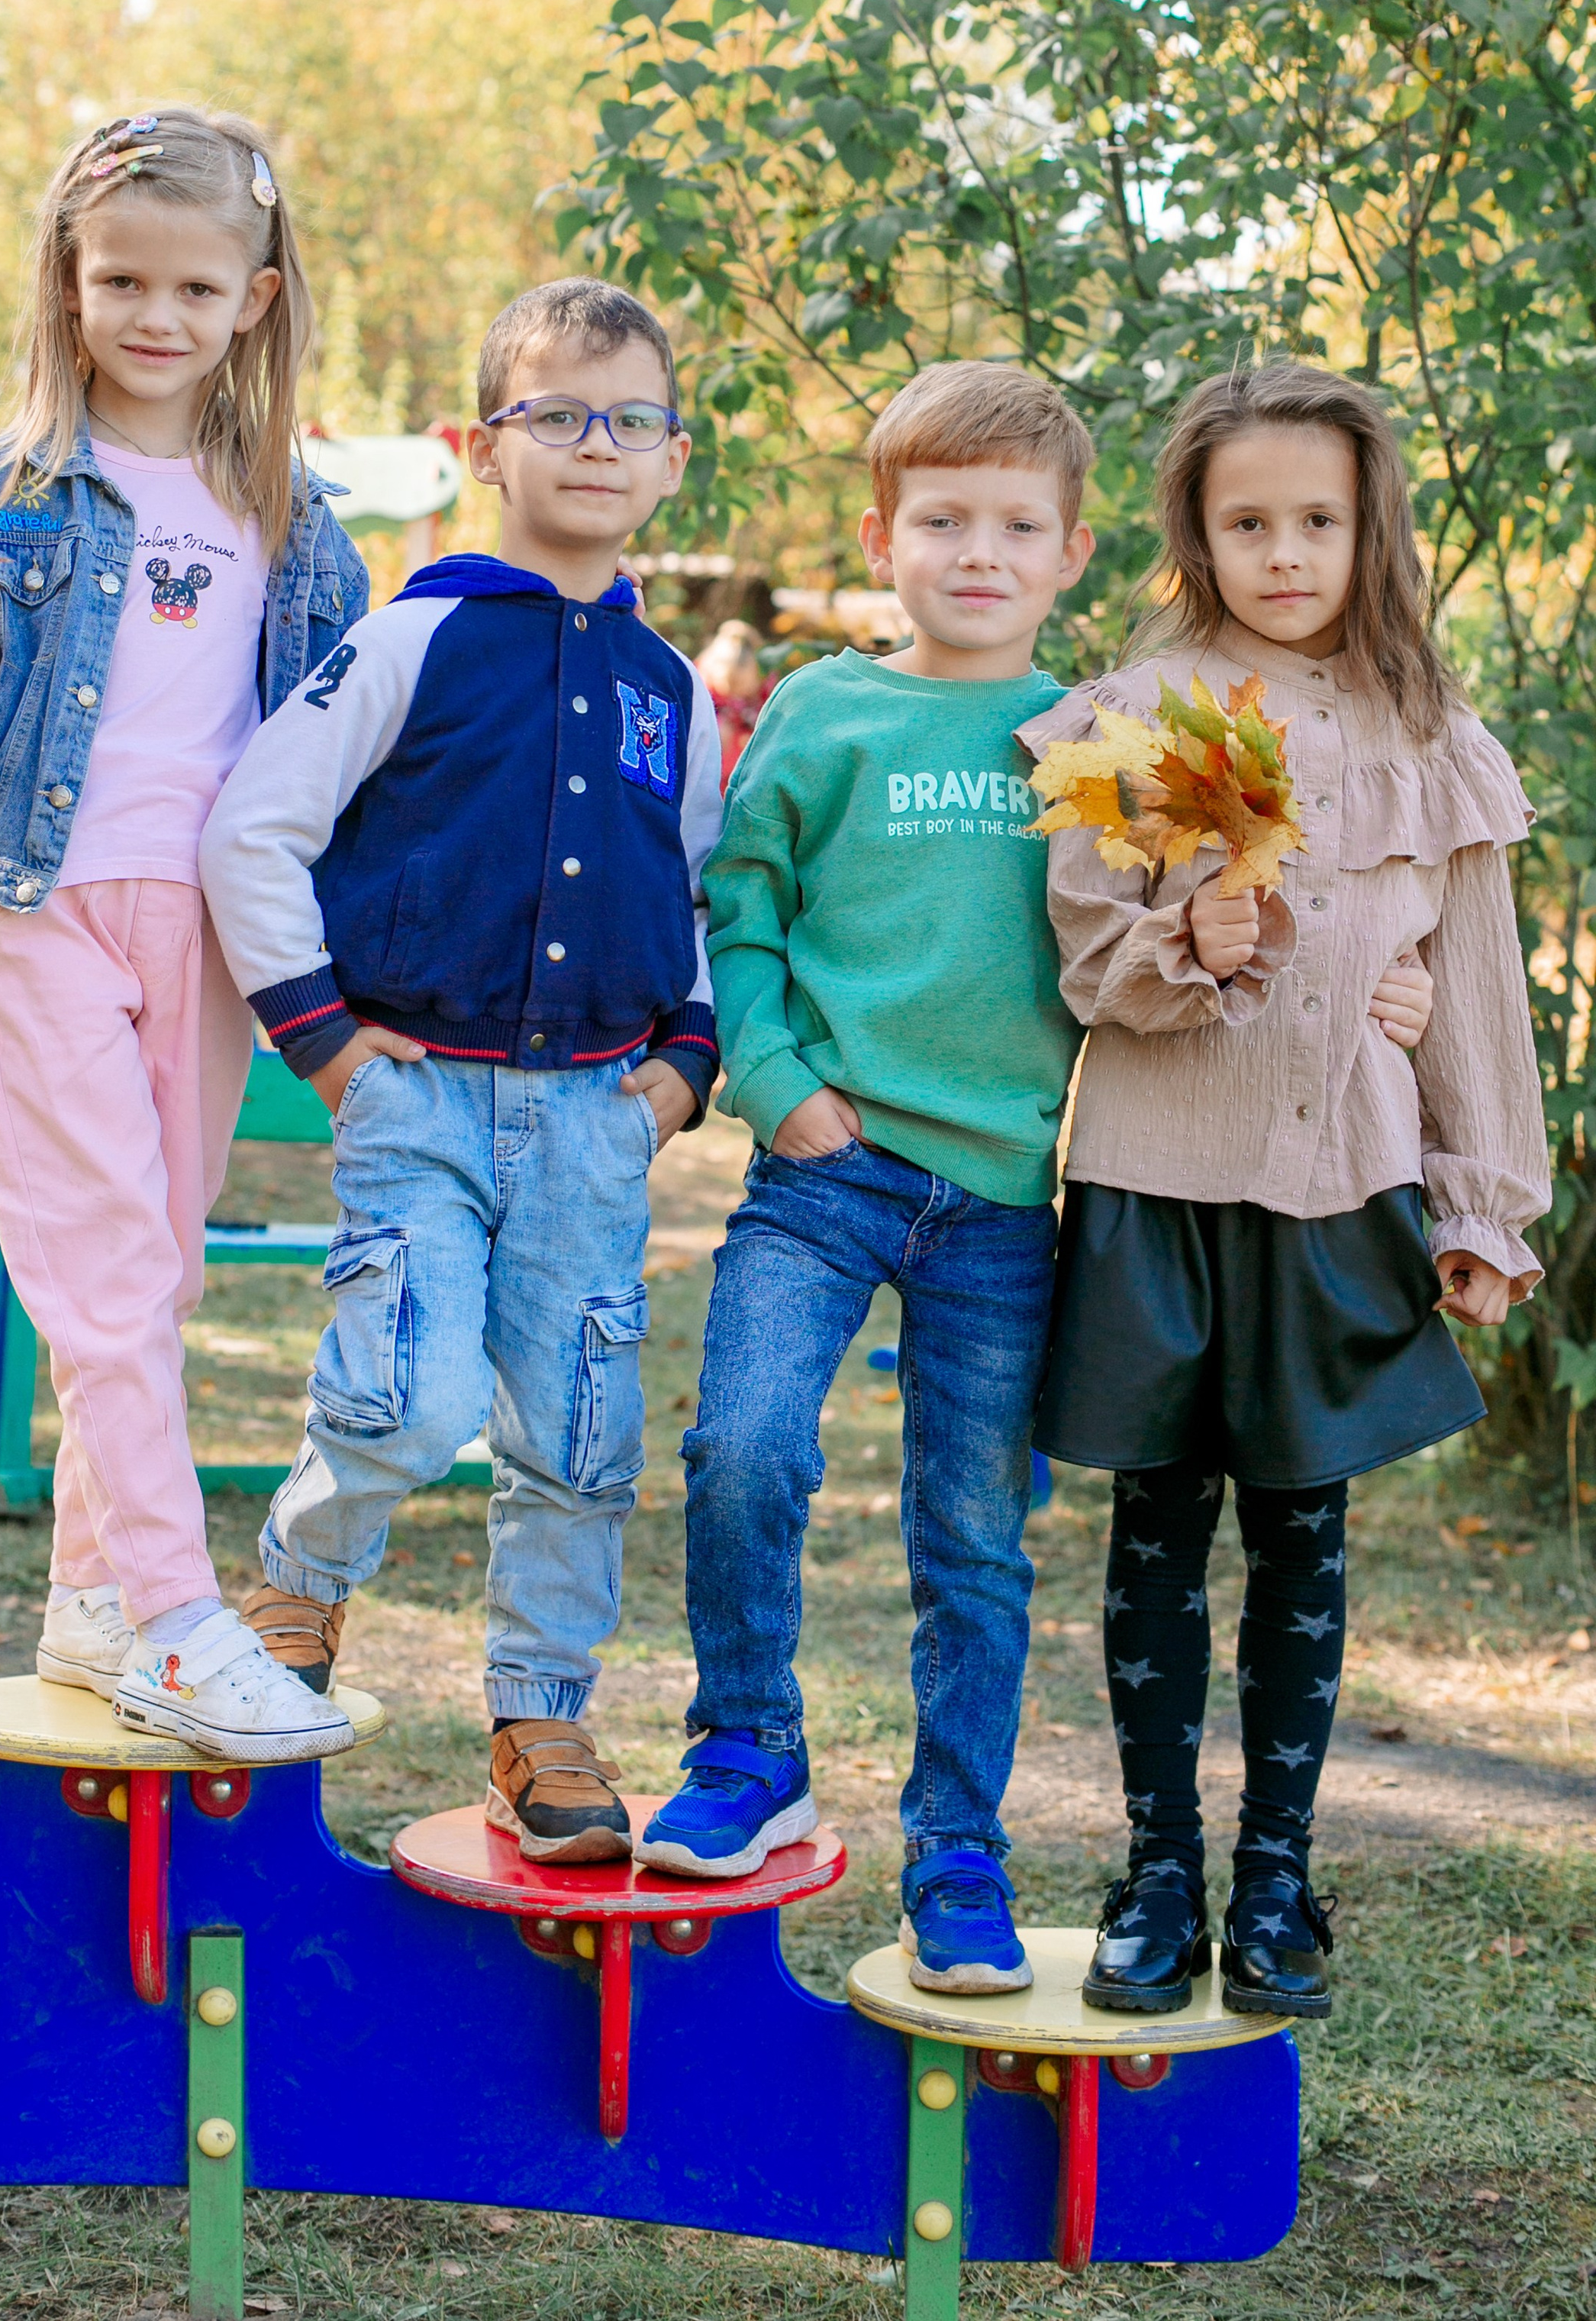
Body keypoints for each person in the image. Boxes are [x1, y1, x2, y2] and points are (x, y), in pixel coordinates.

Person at [639, 359, 1436, 2003]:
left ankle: (956, 1853)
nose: (976, 553)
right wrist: (774, 1083)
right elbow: (744, 903)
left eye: (1014, 525)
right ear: (883, 536)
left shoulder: (1088, 735)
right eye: (940, 521)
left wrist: (1365, 985)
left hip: (1009, 1199)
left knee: (971, 1535)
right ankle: (743, 1749)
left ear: (1072, 551)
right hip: (825, 1169)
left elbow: (1170, 935)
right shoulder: (823, 711)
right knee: (741, 1448)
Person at [1020, 354, 1546, 2023]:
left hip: (1341, 1189)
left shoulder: (1428, 738)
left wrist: (1478, 1206)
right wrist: (1187, 941)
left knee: (1301, 1541)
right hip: (1155, 1180)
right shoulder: (1139, 712)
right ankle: (1157, 1867)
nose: (1282, 552)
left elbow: (1469, 989)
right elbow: (1086, 954)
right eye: (1246, 521)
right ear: (1195, 529)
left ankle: (1275, 1877)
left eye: (1314, 519)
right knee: (1155, 1532)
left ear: (1361, 526)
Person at [198, 278, 721, 1860]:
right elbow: (255, 828)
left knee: (577, 1428)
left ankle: (539, 1718)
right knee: (406, 1391)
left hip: (593, 1117)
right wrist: (328, 1043)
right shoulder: (409, 638)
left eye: (629, 419)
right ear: (478, 443)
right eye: (555, 413)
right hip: (414, 1096)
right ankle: (297, 1583)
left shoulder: (673, 690)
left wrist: (687, 1062)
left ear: (673, 459)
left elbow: (688, 888)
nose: (594, 444)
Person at [0, 106, 369, 1764]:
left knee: (146, 1274)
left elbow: (352, 717)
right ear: (67, 282)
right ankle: (173, 1616)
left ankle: (93, 1602)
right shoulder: (2, 490)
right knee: (94, 1276)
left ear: (255, 295)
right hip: (42, 904)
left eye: (191, 286)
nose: (154, 316)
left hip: (217, 930)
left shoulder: (291, 513)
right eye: (119, 281)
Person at [695, 618, 771, 783]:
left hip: (744, 771)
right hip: (710, 768)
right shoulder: (699, 680)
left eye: (741, 687)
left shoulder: (765, 686)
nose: (735, 694)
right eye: (728, 686)